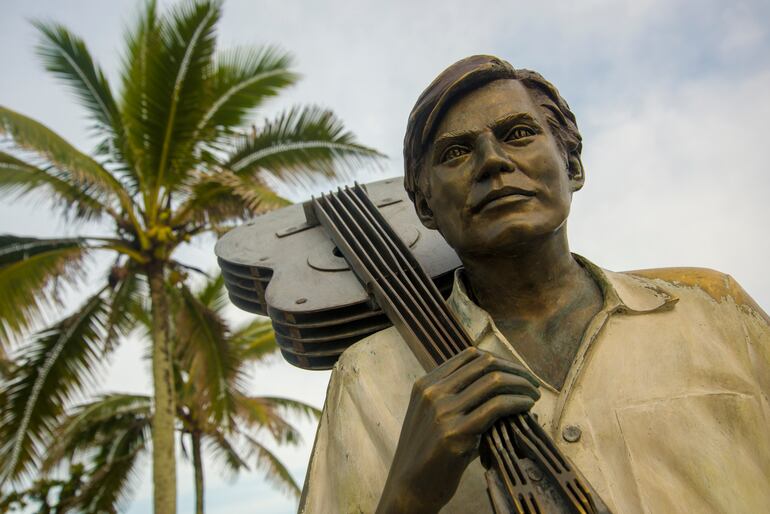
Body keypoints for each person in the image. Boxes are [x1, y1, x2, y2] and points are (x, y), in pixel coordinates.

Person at [298, 55, 770, 514]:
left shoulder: (718, 311)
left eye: (518, 134)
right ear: (424, 208)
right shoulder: (369, 374)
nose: (492, 161)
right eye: (456, 153)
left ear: (573, 167)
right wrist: (407, 497)